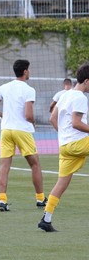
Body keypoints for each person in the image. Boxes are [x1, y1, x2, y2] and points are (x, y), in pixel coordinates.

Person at [0, 59, 47, 212]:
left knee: (4, 166)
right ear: (25, 71)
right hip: (22, 130)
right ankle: (40, 198)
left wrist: (5, 115)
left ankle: (2, 200)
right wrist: (34, 122)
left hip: (6, 130)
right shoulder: (29, 89)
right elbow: (28, 115)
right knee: (35, 164)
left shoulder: (4, 87)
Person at [38, 63, 89, 232]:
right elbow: (76, 123)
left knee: (62, 182)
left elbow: (53, 118)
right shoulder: (81, 98)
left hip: (65, 146)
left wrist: (64, 136)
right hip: (77, 143)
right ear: (87, 81)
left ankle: (46, 218)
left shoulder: (65, 95)